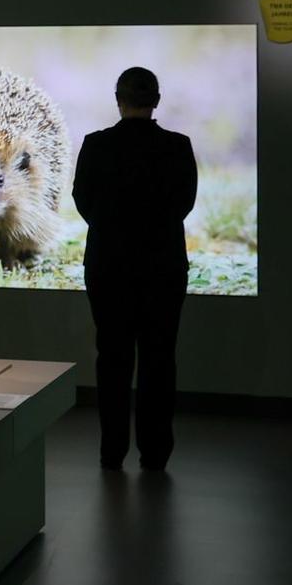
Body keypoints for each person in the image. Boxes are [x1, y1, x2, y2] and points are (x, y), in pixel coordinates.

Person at [70, 66, 197, 472]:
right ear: (156, 100)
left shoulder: (95, 145)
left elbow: (82, 199)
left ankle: (112, 451)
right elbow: (185, 202)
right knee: (160, 358)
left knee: (113, 358)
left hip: (108, 267)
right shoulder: (178, 146)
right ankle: (156, 453)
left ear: (118, 100)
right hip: (164, 267)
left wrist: (111, 229)